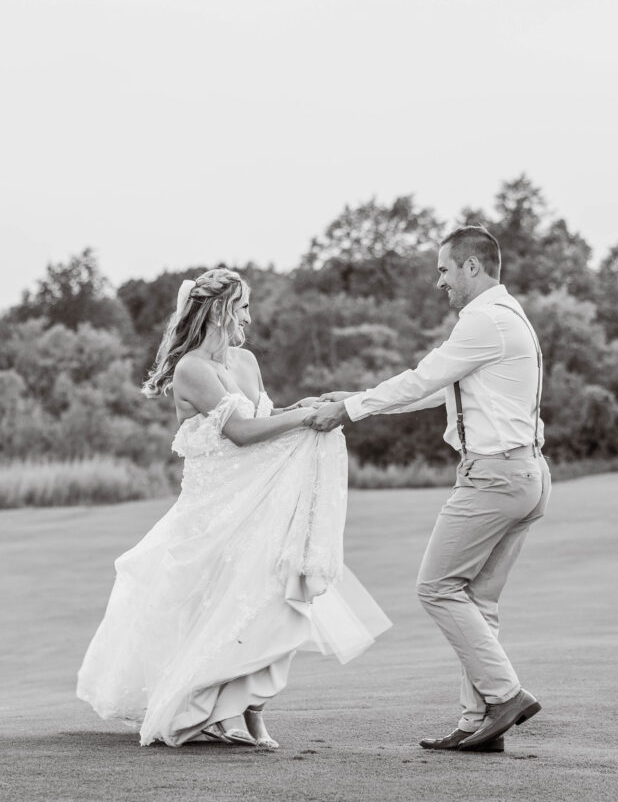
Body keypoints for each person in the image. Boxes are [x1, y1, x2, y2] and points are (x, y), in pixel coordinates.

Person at [77, 267, 390, 748]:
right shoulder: (191, 369)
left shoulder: (245, 360)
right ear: (222, 311)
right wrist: (304, 417)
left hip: (256, 502)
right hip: (211, 510)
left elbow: (263, 417)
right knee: (211, 607)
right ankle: (210, 711)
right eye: (243, 306)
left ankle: (249, 712)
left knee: (266, 603)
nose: (249, 314)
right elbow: (240, 433)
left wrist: (298, 408)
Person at [305, 226, 551, 753]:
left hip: (495, 475)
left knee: (435, 587)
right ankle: (476, 722)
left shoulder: (483, 319)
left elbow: (421, 378)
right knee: (478, 602)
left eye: (443, 270)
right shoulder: (507, 316)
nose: (438, 281)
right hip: (524, 474)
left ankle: (505, 694)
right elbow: (437, 389)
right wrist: (358, 396)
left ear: (471, 268)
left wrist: (347, 411)